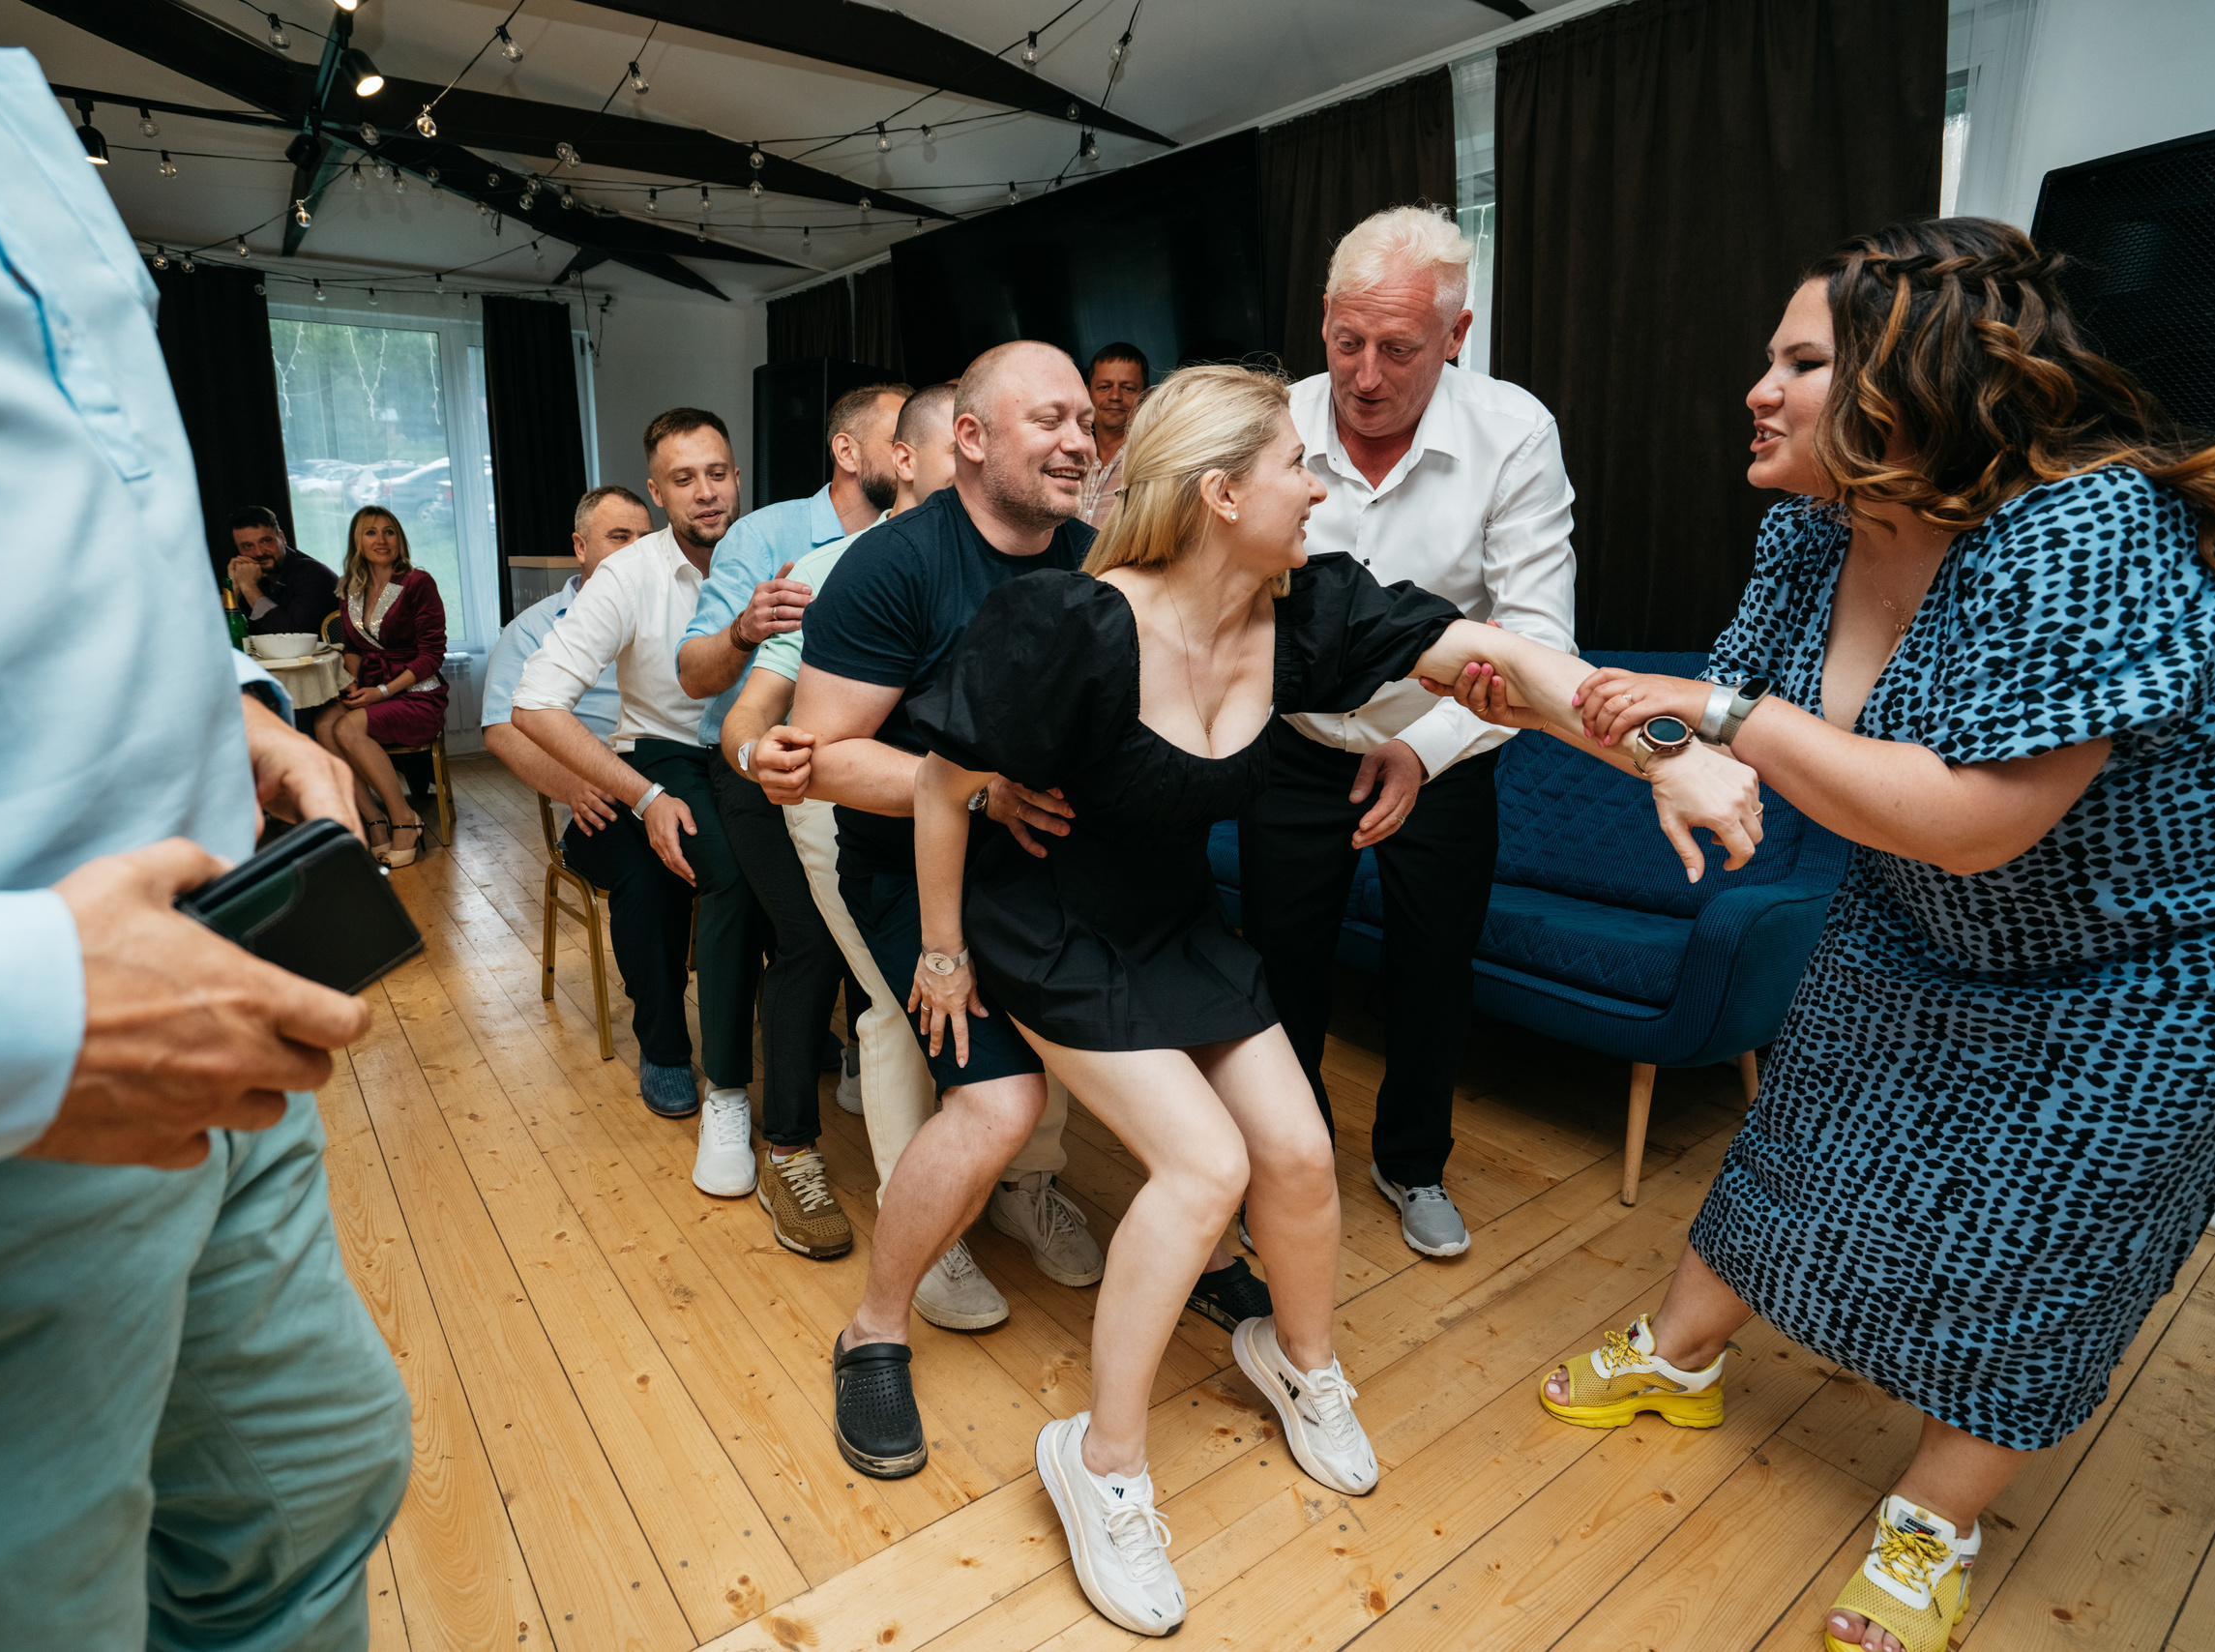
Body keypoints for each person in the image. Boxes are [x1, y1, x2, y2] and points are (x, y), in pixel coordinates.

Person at [1453, 218, 2215, 1652]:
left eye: (1803, 361)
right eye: (1770, 360)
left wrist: (1710, 721)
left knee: (2048, 1242)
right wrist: (1563, 709)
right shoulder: (1810, 532)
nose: (1759, 389)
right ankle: (1677, 1356)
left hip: (2158, 960)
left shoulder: (2088, 525)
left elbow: (1967, 817)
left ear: (1923, 373)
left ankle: (1933, 1520)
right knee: (1803, 1135)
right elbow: (1708, 721)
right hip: (1924, 913)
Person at [901, 364, 1755, 1635]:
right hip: (1056, 928)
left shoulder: (1307, 613)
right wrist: (943, 951)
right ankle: (1103, 1462)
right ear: (1218, 495)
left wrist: (1660, 755)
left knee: (1298, 1154)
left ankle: (1301, 1367)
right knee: (1200, 1168)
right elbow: (937, 783)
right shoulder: (1061, 624)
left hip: (1178, 929)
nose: (1317, 487)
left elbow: (1505, 668)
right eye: (1294, 466)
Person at [0, 5, 410, 1644]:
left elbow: (61, 488)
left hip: (211, 1014)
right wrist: (0, 1015)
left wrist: (226, 700)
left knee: (312, 1483)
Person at [749, 342, 1123, 1476]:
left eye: (1085, 422)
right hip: (902, 860)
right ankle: (873, 1327)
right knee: (997, 1093)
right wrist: (980, 788)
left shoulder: (1092, 560)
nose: (1079, 440)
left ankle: (1045, 1207)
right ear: (969, 439)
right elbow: (821, 757)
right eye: (1049, 419)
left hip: (1040, 852)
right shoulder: (891, 568)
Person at [1238, 205, 1578, 1261]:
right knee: (1279, 966)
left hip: (1444, 749)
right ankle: (1284, 1165)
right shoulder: (1273, 422)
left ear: (1455, 335)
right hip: (1290, 744)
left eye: (1398, 348)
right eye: (1346, 341)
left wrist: (1420, 749)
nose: (1365, 375)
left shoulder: (1512, 431)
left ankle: (1411, 1162)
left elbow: (1533, 638)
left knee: (1433, 965)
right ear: (1324, 322)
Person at [673, 383, 912, 1257]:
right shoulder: (769, 538)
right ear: (851, 452)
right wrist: (742, 630)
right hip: (754, 762)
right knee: (807, 934)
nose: (930, 452)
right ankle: (785, 1144)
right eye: (905, 436)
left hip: (861, 765)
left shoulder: (931, 539)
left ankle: (877, 1074)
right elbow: (699, 679)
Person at [511, 411, 766, 1194]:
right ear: (658, 494)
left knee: (805, 859)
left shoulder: (767, 551)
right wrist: (645, 795)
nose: (706, 492)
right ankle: (671, 1050)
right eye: (684, 480)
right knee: (678, 870)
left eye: (717, 473)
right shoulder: (629, 575)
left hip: (753, 747)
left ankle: (803, 1035)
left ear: (736, 476)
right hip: (660, 755)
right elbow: (532, 705)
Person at [483, 486, 711, 1089]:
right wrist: (573, 783)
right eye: (619, 538)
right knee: (649, 872)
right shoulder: (532, 630)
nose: (637, 550)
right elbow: (504, 730)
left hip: (678, 772)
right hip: (597, 797)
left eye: (644, 536)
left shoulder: (679, 602)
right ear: (580, 547)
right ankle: (663, 1048)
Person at [315, 505, 449, 869]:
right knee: (325, 726)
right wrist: (356, 682)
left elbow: (432, 655)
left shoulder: (418, 582)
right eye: (371, 532)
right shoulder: (350, 589)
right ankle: (375, 823)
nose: (381, 539)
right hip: (375, 690)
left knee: (347, 727)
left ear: (400, 538)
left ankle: (405, 819)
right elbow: (355, 649)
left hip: (419, 693)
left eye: (389, 531)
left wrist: (384, 692)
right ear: (357, 542)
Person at [225, 504, 340, 638]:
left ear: (282, 538)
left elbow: (293, 635)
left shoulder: (312, 573)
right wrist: (233, 588)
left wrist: (249, 587)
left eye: (266, 541)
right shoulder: (249, 573)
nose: (259, 552)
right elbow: (215, 637)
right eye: (247, 546)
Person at [1078, 342, 1149, 531]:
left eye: (1127, 388)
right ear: (1086, 393)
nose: (1115, 396)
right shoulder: (1070, 457)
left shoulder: (1152, 463)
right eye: (1104, 387)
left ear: (1145, 397)